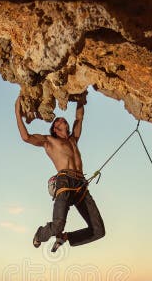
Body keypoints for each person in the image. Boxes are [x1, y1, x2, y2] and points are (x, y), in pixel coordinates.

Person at [15, 92, 105, 252]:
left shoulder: (73, 139)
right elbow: (26, 137)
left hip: (81, 185)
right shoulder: (49, 141)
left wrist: (80, 97)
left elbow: (79, 118)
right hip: (64, 181)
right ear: (55, 128)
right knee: (57, 225)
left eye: (63, 119)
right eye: (58, 120)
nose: (62, 118)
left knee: (98, 231)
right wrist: (17, 112)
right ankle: (40, 234)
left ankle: (65, 237)